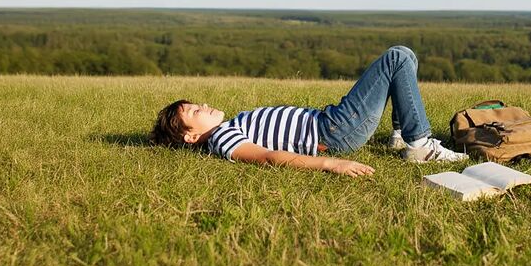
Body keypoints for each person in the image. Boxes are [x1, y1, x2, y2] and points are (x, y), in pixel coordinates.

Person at [149, 46, 468, 177]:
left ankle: (401, 138)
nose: (203, 106)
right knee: (397, 56)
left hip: (332, 124)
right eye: (194, 111)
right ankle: (421, 145)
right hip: (333, 133)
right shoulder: (222, 139)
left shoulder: (225, 128)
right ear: (191, 136)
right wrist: (331, 163)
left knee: (405, 57)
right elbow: (268, 158)